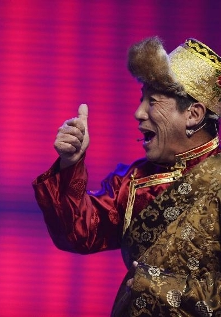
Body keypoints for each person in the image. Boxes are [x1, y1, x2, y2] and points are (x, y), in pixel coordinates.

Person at [32, 36, 221, 316]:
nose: (138, 112)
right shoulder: (135, 180)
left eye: (153, 101)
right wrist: (71, 163)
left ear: (193, 114)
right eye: (141, 98)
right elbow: (79, 234)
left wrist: (157, 286)